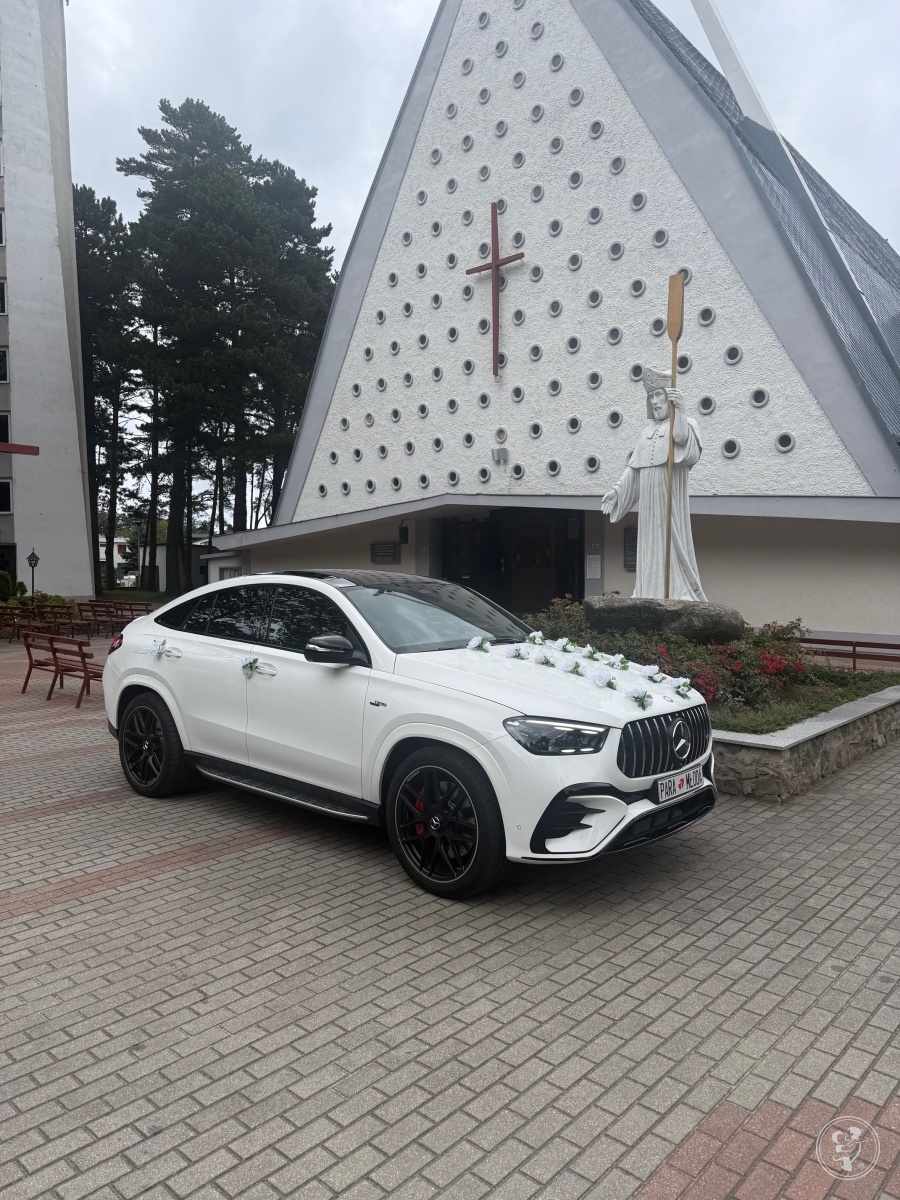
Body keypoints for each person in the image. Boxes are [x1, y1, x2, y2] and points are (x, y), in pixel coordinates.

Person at [601, 367, 707, 601]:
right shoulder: (646, 431)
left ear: (671, 397)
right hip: (648, 499)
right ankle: (649, 590)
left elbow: (681, 441)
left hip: (668, 495)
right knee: (649, 543)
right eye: (652, 397)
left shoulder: (686, 423)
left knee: (671, 539)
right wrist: (617, 491)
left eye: (660, 396)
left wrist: (681, 409)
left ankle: (677, 590)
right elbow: (634, 469)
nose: (656, 402)